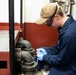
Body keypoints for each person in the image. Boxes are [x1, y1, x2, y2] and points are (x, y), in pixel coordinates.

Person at [34, 3, 76, 75]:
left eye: (48, 22)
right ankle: (35, 70)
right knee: (40, 52)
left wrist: (45, 57)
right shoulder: (64, 26)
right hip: (66, 56)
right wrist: (46, 52)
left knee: (53, 73)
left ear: (56, 17)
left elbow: (61, 60)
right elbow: (59, 47)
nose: (48, 25)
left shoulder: (69, 35)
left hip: (72, 65)